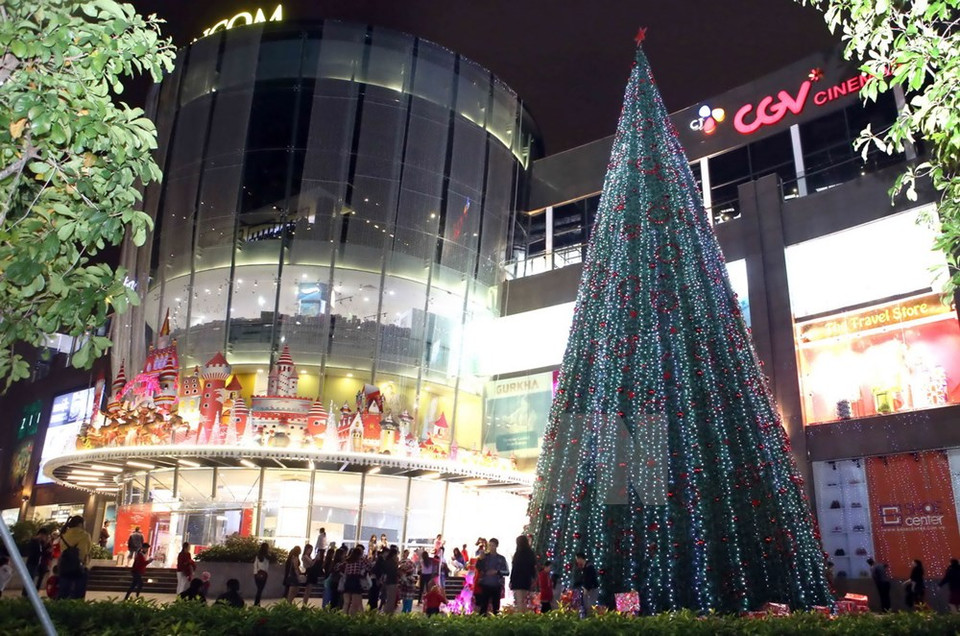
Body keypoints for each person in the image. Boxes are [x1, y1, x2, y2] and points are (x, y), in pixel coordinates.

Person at [58, 515, 93, 600]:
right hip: (78, 568)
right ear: (80, 524)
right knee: (78, 594)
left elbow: (61, 549)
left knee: (63, 593)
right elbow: (85, 552)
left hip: (64, 567)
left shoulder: (64, 535)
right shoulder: (84, 535)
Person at [474, 537, 509, 615]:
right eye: (490, 545)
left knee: (496, 607)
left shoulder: (501, 558)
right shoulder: (485, 557)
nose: (491, 547)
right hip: (485, 584)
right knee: (483, 606)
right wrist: (480, 559)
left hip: (496, 585)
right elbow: (478, 568)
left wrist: (497, 572)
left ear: (496, 546)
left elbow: (507, 572)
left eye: (493, 545)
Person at [510, 534, 537, 613]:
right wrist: (533, 578)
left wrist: (511, 580)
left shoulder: (518, 554)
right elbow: (533, 568)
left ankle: (521, 617)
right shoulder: (530, 553)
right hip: (527, 579)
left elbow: (515, 568)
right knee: (524, 600)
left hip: (518, 579)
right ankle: (524, 616)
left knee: (519, 601)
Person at [340, 546, 369, 616]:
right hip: (356, 581)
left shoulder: (348, 561)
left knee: (346, 603)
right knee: (355, 603)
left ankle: (343, 617)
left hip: (348, 581)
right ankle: (352, 617)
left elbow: (344, 571)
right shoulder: (361, 561)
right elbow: (369, 567)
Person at [24, 527, 51, 596]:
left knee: (32, 578)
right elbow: (33, 552)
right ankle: (25, 594)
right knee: (30, 578)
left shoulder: (40, 543)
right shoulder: (34, 542)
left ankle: (28, 594)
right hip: (32, 562)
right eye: (44, 536)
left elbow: (42, 552)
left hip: (36, 563)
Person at [573, 552, 599, 617]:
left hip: (591, 590)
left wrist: (586, 588)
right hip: (587, 589)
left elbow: (590, 579)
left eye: (577, 559)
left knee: (590, 606)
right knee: (586, 606)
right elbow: (584, 579)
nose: (577, 561)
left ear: (580, 558)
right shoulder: (585, 567)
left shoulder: (589, 567)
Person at [381, 545, 400, 614]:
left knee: (389, 598)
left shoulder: (387, 561)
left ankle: (387, 612)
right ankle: (388, 613)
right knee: (391, 599)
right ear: (394, 555)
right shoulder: (392, 563)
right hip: (392, 582)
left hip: (388, 582)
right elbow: (394, 572)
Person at [398, 549, 417, 613]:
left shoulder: (405, 578)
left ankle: (405, 612)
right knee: (408, 604)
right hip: (408, 594)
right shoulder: (410, 578)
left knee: (406, 603)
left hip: (406, 593)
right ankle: (407, 612)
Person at [253, 542, 270, 606]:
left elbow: (255, 565)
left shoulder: (258, 556)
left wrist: (255, 573)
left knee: (259, 589)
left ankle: (257, 603)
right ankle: (257, 603)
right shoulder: (267, 556)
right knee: (260, 589)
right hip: (263, 574)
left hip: (258, 573)